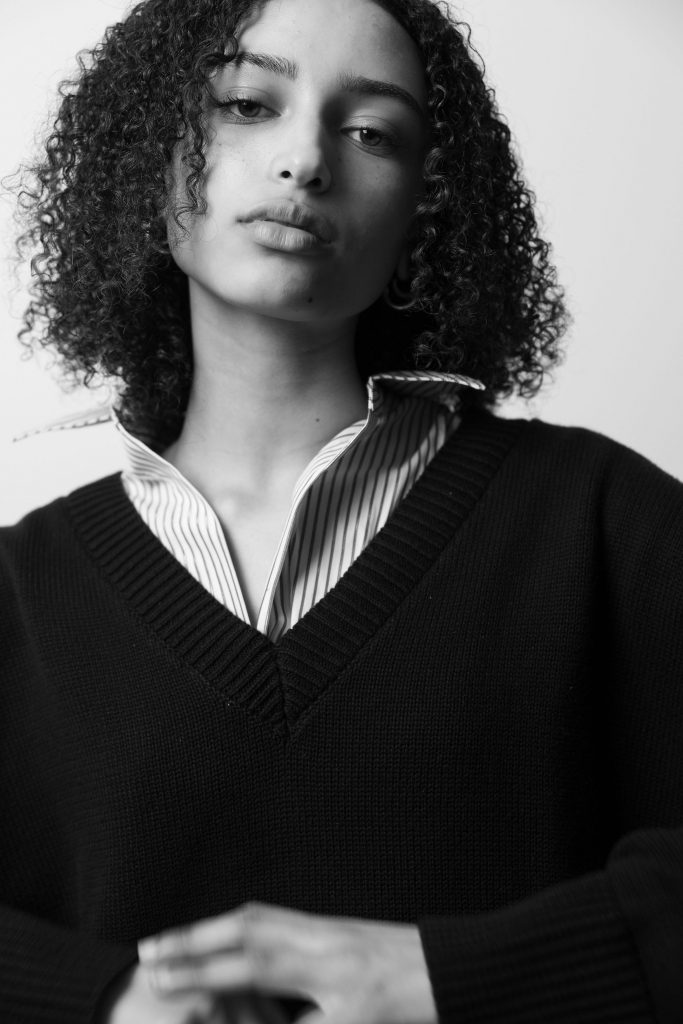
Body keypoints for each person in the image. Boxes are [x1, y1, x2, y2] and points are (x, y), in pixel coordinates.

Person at [2, 0, 681, 1021]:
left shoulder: (603, 524)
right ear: (150, 159)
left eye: (370, 131)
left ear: (424, 211)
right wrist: (99, 1000)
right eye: (246, 104)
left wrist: (453, 978)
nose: (305, 162)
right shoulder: (19, 592)